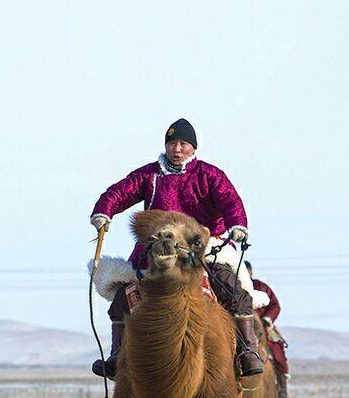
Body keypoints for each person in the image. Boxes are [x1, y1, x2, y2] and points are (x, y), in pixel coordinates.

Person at [90, 118, 264, 380]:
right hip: (159, 249)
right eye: (172, 143)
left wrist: (237, 224)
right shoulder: (150, 175)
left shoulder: (209, 175)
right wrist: (104, 211)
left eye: (183, 144)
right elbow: (119, 192)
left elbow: (230, 201)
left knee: (232, 288)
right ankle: (118, 356)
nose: (177, 149)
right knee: (122, 298)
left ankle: (246, 351)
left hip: (203, 247)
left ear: (193, 148)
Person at [245, 261, 290, 398]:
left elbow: (275, 305)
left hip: (263, 325)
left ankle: (282, 388)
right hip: (242, 323)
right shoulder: (234, 287)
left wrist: (267, 319)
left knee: (277, 351)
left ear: (251, 273)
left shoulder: (261, 287)